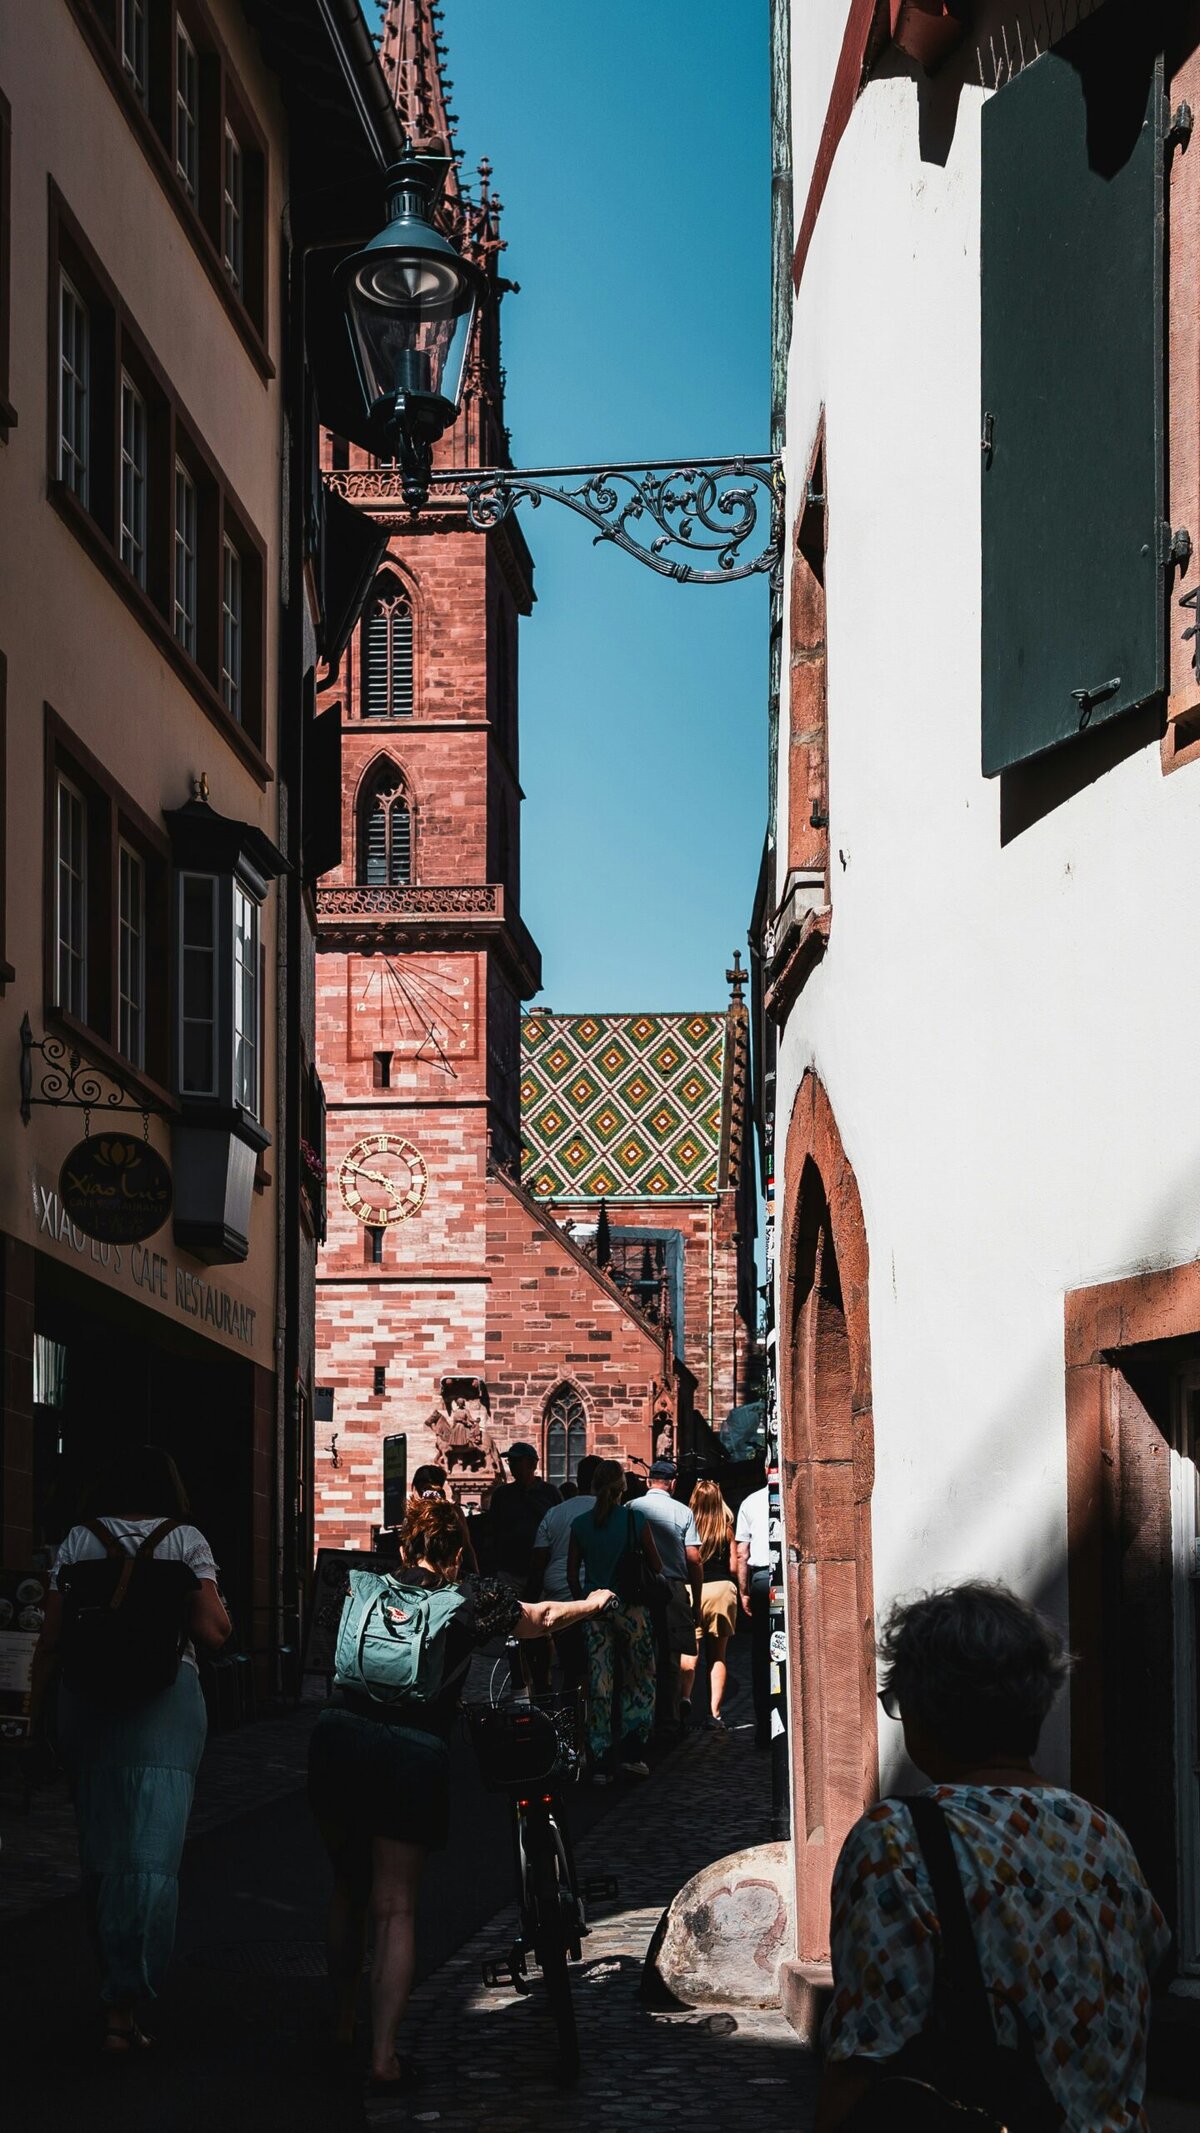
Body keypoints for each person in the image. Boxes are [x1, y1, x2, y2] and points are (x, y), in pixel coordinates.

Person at [815, 1582, 1170, 2133]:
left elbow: (866, 2050)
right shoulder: (1100, 1832)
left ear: (925, 1707)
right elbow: (1147, 1973)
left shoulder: (896, 1840)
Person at [307, 1497, 613, 2091]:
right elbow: (542, 1618)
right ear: (454, 1553)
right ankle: (383, 2056)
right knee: (394, 1908)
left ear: (404, 1548)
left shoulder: (360, 1582)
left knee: (347, 1888)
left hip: (339, 1740)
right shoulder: (468, 1600)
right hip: (410, 1753)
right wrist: (593, 1604)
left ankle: (344, 2020)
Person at [30, 1445, 231, 2053]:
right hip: (164, 1704)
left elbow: (52, 1637)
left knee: (101, 1845)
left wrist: (33, 1714)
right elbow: (214, 1632)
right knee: (152, 1850)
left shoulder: (77, 1541)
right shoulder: (185, 1541)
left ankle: (112, 1982)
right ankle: (127, 1994)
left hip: (86, 1701)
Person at [567, 1460, 662, 1782]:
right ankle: (633, 1752)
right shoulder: (635, 1520)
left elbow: (571, 1573)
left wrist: (585, 1600)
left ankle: (600, 1758)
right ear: (623, 1487)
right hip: (632, 1608)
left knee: (600, 1684)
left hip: (596, 1609)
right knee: (640, 1680)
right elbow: (657, 1566)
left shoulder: (580, 1524)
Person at [637, 1457, 702, 1729]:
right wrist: (697, 1600)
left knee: (640, 1654)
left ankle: (641, 1719)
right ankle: (668, 1718)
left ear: (648, 1481)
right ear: (673, 1483)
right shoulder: (682, 1512)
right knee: (671, 1656)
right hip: (673, 1587)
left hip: (639, 1586)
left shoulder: (631, 1508)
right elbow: (694, 1559)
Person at [530, 1455, 600, 1691]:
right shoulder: (609, 1510)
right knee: (596, 1664)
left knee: (570, 1662)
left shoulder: (555, 1512)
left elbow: (539, 1559)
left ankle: (570, 1709)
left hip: (559, 1591)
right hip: (595, 1593)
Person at [684, 1478, 738, 1729]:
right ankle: (714, 1714)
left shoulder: (687, 1525)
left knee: (689, 1653)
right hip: (720, 1591)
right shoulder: (725, 1529)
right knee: (718, 1656)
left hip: (691, 1591)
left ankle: (684, 1699)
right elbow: (734, 1567)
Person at [486, 1440, 560, 1593]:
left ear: (532, 1464)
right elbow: (492, 1529)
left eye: (517, 1461)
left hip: (542, 1568)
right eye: (510, 1461)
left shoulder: (550, 1493)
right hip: (509, 1568)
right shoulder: (502, 1494)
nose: (512, 1465)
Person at [735, 1473, 771, 1748]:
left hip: (760, 1580)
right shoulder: (790, 1494)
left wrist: (744, 1591)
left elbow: (742, 1554)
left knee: (761, 1654)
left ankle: (764, 1727)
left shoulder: (750, 1501)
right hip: (785, 1576)